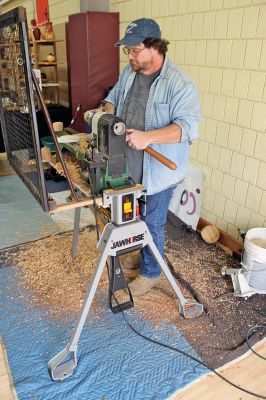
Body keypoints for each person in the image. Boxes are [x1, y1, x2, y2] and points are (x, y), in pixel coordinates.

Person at [104, 18, 201, 296]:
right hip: (129, 162)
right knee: (131, 215)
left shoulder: (179, 83)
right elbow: (113, 96)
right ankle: (140, 251)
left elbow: (187, 128)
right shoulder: (130, 71)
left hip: (160, 168)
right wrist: (108, 117)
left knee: (152, 222)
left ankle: (151, 273)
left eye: (134, 50)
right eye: (127, 51)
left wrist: (148, 136)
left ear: (154, 48)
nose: (130, 56)